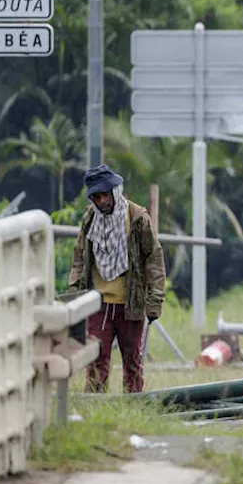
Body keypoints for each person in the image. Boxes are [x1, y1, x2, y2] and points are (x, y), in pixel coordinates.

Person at [68, 165, 166, 395]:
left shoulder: (137, 218)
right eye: (96, 196)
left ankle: (134, 407)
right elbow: (79, 258)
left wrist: (154, 301)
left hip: (130, 304)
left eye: (105, 194)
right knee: (95, 361)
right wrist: (73, 296)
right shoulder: (90, 219)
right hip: (97, 304)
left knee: (132, 362)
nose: (102, 201)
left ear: (115, 191)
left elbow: (154, 259)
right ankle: (93, 408)